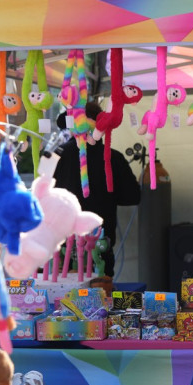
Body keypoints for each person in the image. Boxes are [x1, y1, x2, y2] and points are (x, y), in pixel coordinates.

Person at [52, 101, 141, 278]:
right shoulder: (113, 158)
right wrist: (108, 195)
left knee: (62, 295)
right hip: (100, 239)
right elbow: (132, 196)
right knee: (100, 294)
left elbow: (43, 194)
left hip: (63, 240)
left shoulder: (57, 154)